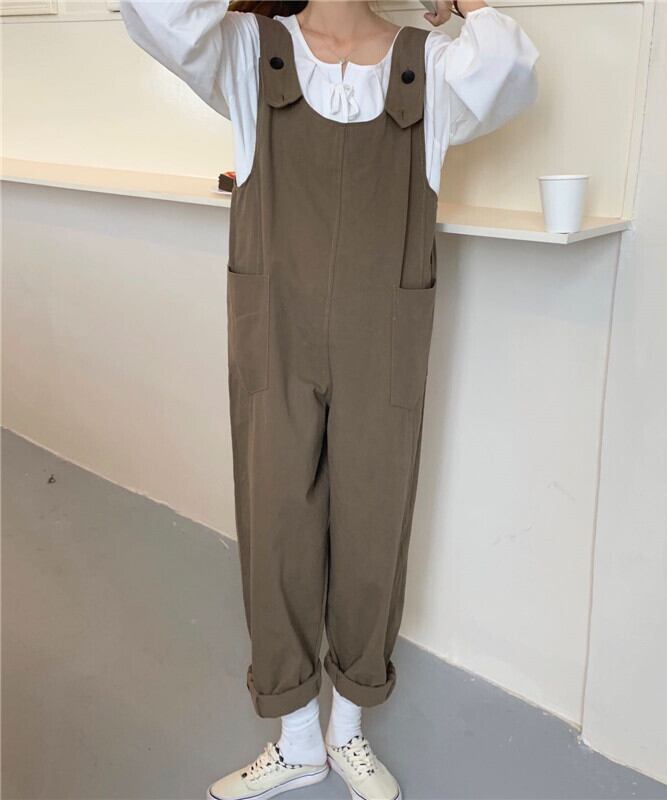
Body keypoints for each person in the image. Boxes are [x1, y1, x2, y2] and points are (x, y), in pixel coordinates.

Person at [120, 1, 539, 798]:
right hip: (275, 326)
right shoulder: (251, 53)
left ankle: (347, 729)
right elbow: (155, 12)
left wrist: (462, 5)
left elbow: (512, 68)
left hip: (384, 333)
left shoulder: (429, 66)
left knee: (374, 518)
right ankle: (297, 739)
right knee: (276, 517)